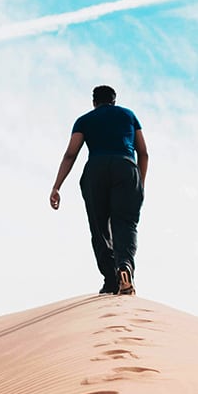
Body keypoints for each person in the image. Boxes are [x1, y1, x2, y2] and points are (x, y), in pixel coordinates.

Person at [49, 85, 148, 295]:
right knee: (125, 223)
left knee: (99, 227)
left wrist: (57, 186)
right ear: (114, 100)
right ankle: (125, 266)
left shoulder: (84, 120)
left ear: (94, 102)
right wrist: (140, 182)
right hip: (126, 167)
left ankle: (111, 280)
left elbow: (70, 154)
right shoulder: (129, 116)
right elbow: (144, 152)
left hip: (96, 170)